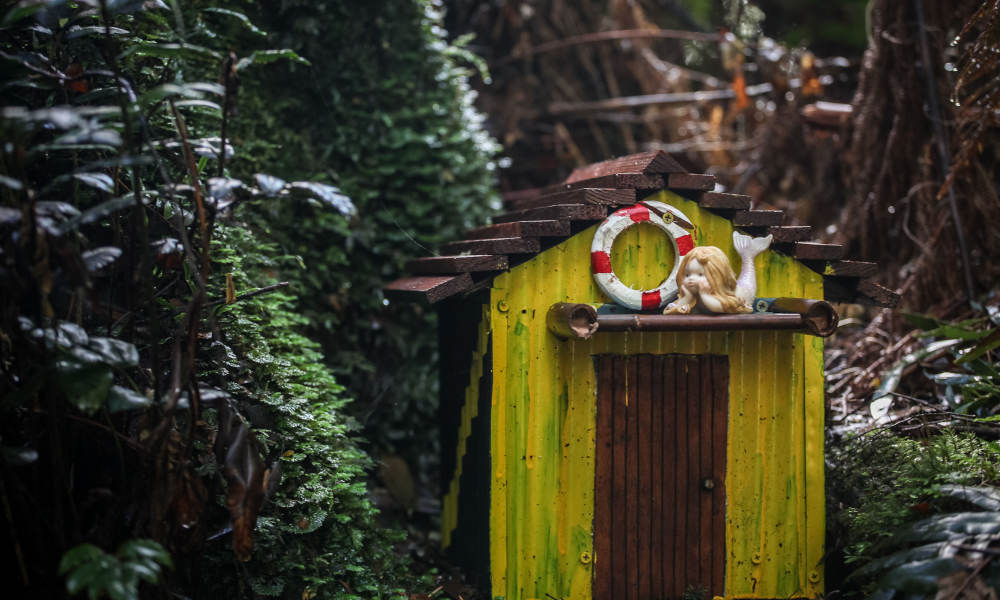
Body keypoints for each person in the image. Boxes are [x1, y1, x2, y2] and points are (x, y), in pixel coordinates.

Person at [663, 245, 753, 314]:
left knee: (747, 288)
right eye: (687, 275)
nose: (691, 278)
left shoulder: (728, 297)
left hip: (744, 293)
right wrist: (686, 298)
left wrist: (705, 295)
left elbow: (721, 307)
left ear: (718, 276)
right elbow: (668, 312)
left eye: (700, 275)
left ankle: (748, 256)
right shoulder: (691, 296)